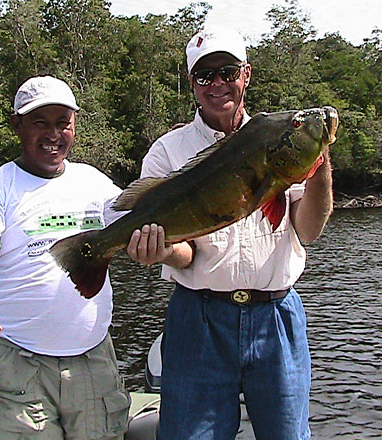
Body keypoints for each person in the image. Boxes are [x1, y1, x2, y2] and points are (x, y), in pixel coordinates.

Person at [127, 27, 333, 440]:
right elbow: (186, 255)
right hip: (198, 318)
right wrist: (162, 251)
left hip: (276, 318)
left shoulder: (279, 138)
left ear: (247, 75)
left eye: (227, 72)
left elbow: (307, 230)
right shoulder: (168, 152)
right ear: (192, 85)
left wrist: (320, 164)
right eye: (205, 76)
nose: (217, 84)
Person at [0, 76, 131, 439]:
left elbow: (138, 220)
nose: (53, 134)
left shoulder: (95, 183)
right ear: (17, 125)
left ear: (75, 126)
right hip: (19, 363)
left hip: (93, 358)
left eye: (62, 123)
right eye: (40, 122)